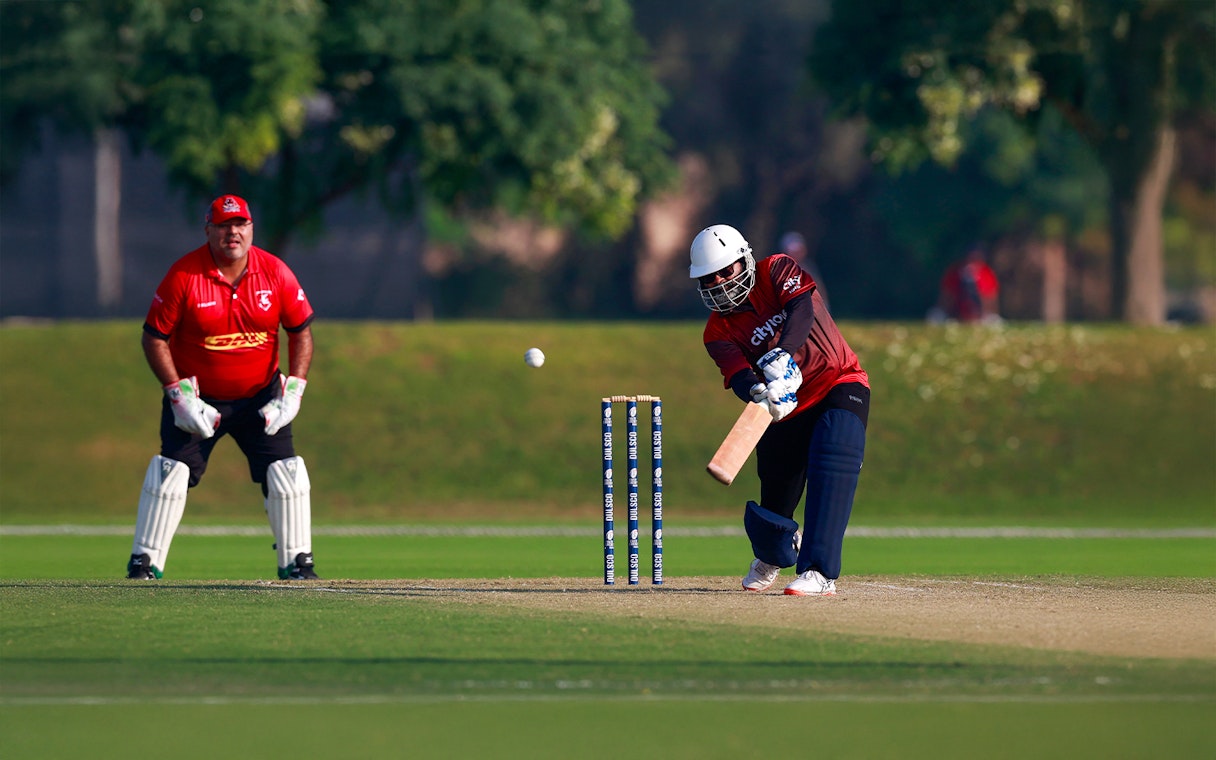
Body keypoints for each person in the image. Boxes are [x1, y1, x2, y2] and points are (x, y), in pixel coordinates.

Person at [125, 194, 319, 581]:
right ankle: (144, 563)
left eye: (240, 224)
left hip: (261, 396)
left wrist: (293, 391)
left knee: (286, 473)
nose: (233, 232)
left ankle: (297, 563)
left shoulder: (276, 272)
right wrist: (177, 395)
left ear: (250, 229)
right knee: (171, 472)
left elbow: (301, 333)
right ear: (209, 230)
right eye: (224, 225)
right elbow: (154, 338)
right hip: (198, 399)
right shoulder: (185, 275)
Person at [690, 224, 869, 596]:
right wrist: (758, 391)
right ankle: (773, 556)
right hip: (783, 409)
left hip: (838, 381)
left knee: (834, 457)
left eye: (727, 271)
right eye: (710, 278)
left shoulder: (777, 269)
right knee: (775, 504)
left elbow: (802, 309)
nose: (720, 282)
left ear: (745, 260)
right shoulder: (717, 332)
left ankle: (819, 571)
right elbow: (738, 375)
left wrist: (782, 354)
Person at [931, 244, 1000, 323]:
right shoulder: (955, 272)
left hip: (980, 317)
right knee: (935, 315)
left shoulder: (986, 273)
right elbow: (946, 298)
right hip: (955, 315)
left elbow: (990, 300)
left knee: (994, 320)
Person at [778, 231, 830, 313]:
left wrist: (824, 307)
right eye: (794, 251)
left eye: (799, 250)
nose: (797, 254)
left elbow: (818, 288)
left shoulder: (809, 267)